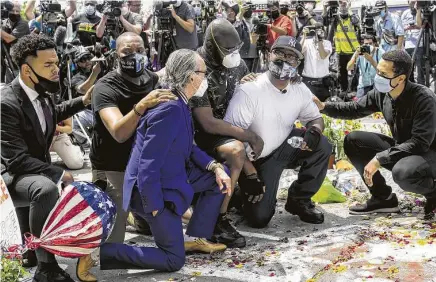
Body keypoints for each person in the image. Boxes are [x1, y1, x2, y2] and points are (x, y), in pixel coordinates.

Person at [93, 49, 231, 273]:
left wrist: (215, 167)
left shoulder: (180, 102)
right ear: (190, 76)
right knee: (173, 260)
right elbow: (148, 164)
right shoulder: (169, 108)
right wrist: (154, 206)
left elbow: (189, 147)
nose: (206, 79)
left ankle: (195, 237)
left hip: (173, 175)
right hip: (153, 190)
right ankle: (100, 254)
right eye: (204, 73)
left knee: (218, 179)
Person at [77, 32, 177, 282]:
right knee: (114, 245)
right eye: (127, 52)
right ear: (116, 56)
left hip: (145, 164)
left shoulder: (153, 79)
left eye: (139, 49)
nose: (134, 56)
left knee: (166, 214)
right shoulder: (105, 87)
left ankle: (138, 215)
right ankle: (92, 244)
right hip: (113, 166)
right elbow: (119, 133)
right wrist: (141, 106)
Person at [1, 34, 92, 282]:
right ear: (26, 70)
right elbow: (16, 160)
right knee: (45, 187)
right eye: (48, 65)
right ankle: (46, 267)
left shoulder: (41, 90)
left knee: (42, 182)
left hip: (29, 171)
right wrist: (60, 174)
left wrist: (83, 101)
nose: (56, 70)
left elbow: (52, 112)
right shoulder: (6, 103)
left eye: (57, 63)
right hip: (11, 176)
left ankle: (30, 250)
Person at [313, 50, 436, 220]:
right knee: (353, 140)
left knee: (403, 173)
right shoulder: (382, 93)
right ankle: (383, 198)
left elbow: (420, 142)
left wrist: (379, 158)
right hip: (404, 149)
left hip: (428, 153)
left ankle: (433, 195)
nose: (378, 76)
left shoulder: (424, 98)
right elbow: (354, 109)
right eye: (378, 71)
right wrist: (323, 107)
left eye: (384, 74)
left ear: (401, 78)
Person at [224, 36, 331, 227]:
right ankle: (241, 193)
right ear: (269, 54)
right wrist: (249, 174)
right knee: (259, 219)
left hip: (285, 147)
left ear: (298, 63)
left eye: (291, 56)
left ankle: (299, 200)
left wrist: (314, 131)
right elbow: (230, 139)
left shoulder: (299, 88)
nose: (284, 59)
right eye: (280, 53)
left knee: (322, 145)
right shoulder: (250, 90)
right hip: (256, 160)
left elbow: (315, 118)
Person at [191, 19, 262, 248]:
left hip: (227, 129)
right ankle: (217, 219)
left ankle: (233, 196)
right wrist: (249, 136)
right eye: (228, 50)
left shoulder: (237, 65)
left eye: (236, 48)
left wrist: (249, 84)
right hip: (197, 135)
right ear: (212, 47)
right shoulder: (197, 68)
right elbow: (208, 123)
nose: (234, 54)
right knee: (236, 150)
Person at [327, 0, 360, 93]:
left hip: (353, 51)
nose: (343, 5)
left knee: (355, 74)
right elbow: (330, 35)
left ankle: (355, 91)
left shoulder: (353, 18)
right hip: (341, 52)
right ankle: (344, 91)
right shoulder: (336, 19)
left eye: (344, 3)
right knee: (342, 74)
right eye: (341, 3)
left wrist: (349, 8)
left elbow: (356, 22)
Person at [301, 23, 332, 102]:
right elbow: (298, 52)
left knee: (324, 108)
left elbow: (323, 55)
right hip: (308, 81)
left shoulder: (327, 43)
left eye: (320, 31)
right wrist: (304, 36)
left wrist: (320, 40)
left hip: (322, 82)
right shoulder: (307, 42)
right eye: (316, 31)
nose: (317, 33)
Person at [347, 34, 384, 99]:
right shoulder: (360, 52)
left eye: (370, 44)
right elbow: (349, 68)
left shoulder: (381, 52)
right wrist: (356, 55)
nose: (368, 46)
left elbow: (382, 71)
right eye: (366, 44)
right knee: (359, 105)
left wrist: (371, 60)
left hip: (377, 84)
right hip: (364, 85)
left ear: (374, 44)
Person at [1, 1, 30, 83]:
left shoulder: (23, 24)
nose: (15, 13)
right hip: (8, 61)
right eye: (12, 10)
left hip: (20, 63)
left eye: (17, 11)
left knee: (19, 85)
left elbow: (9, 39)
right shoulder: (5, 22)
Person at [401, 0, 424, 85]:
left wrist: (418, 10)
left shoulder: (421, 11)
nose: (413, 2)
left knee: (420, 69)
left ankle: (421, 86)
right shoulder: (405, 13)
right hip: (408, 45)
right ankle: (410, 86)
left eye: (414, 1)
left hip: (419, 44)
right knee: (409, 68)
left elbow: (420, 25)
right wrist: (407, 27)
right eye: (411, 1)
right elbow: (401, 28)